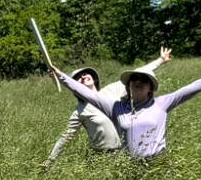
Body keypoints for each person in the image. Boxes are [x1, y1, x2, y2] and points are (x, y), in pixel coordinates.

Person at [50, 58, 201, 159]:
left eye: (144, 80)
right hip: (131, 167)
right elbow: (87, 94)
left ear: (151, 87)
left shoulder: (162, 103)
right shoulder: (116, 108)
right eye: (134, 80)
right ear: (128, 86)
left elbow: (193, 87)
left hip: (159, 163)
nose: (138, 82)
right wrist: (61, 76)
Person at [44, 48, 172, 167]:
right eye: (78, 78)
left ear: (93, 78)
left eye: (85, 74)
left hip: (126, 153)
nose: (83, 77)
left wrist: (160, 60)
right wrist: (50, 161)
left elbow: (139, 72)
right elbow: (66, 137)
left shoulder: (113, 89)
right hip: (102, 159)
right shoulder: (79, 111)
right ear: (74, 86)